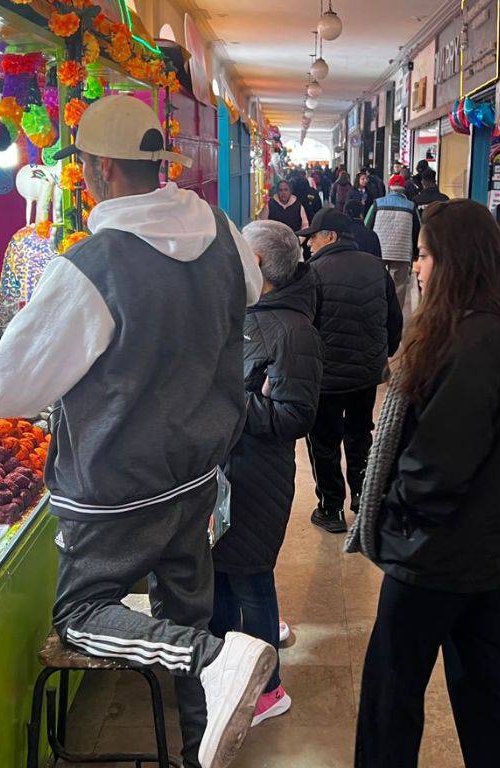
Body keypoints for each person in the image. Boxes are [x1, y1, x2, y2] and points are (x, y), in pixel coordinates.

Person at [0, 95, 273, 768]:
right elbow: (247, 291)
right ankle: (195, 745)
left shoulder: (90, 268)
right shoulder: (220, 230)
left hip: (116, 487)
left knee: (82, 615)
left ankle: (212, 658)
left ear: (98, 168)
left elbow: (15, 384)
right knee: (181, 606)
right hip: (194, 473)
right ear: (157, 165)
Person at [355, 200, 500, 768]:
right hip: (477, 544)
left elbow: (441, 459)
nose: (416, 267)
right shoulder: (496, 324)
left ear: (453, 261)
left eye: (423, 255)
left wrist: (396, 509)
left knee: (392, 690)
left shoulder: (474, 339)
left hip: (436, 548)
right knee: (484, 681)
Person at [210, 221, 324, 724]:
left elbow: (293, 417)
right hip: (229, 471)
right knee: (223, 577)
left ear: (257, 266)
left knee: (251, 580)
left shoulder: (295, 331)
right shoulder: (254, 314)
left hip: (257, 476)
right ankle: (222, 670)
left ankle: (267, 691)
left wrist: (226, 399)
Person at [299, 207, 402, 533]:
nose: (308, 245)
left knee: (323, 441)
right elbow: (394, 321)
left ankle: (330, 509)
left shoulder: (311, 273)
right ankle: (362, 498)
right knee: (360, 434)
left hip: (325, 378)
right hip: (365, 375)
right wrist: (379, 356)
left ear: (329, 236)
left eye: (312, 238)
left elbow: (301, 328)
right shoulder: (375, 266)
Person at [365, 182, 420, 317]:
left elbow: (367, 224)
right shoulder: (411, 206)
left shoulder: (378, 203)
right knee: (399, 286)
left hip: (380, 251)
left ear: (390, 188)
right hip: (402, 251)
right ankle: (396, 316)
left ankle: (379, 312)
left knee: (379, 281)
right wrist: (416, 253)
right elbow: (417, 231)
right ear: (403, 190)